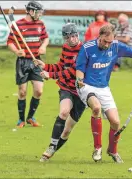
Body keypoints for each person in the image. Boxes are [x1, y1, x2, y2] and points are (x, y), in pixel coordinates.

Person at [75, 24, 132, 163]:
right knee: (96, 108)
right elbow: (79, 69)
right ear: (99, 36)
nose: (107, 45)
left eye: (110, 41)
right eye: (104, 41)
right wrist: (79, 80)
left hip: (104, 88)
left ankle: (112, 150)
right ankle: (97, 148)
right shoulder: (87, 48)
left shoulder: (116, 46)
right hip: (86, 85)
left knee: (115, 122)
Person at [36, 23, 86, 162]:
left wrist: (50, 75)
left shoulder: (84, 50)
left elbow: (73, 71)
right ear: (65, 38)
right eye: (69, 37)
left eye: (74, 36)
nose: (72, 39)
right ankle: (51, 146)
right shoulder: (65, 48)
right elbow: (61, 66)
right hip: (66, 88)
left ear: (77, 35)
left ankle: (52, 150)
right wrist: (44, 66)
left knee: (67, 131)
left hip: (81, 92)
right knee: (63, 112)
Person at [7, 1, 49, 128]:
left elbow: (46, 38)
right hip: (23, 62)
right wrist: (16, 51)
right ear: (30, 11)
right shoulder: (17, 24)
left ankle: (30, 117)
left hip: (36, 60)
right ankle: (21, 120)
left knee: (39, 91)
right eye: (38, 12)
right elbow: (10, 41)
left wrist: (43, 46)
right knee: (22, 92)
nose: (40, 14)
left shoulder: (40, 24)